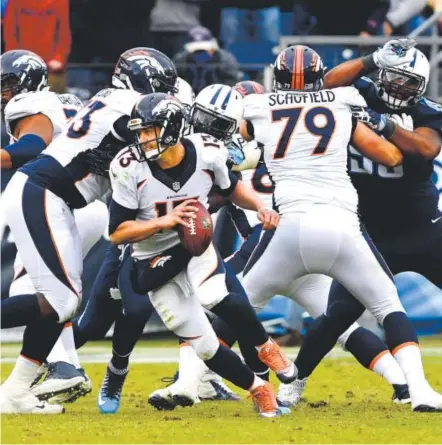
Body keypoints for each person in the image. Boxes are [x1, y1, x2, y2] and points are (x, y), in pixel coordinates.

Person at [239, 44, 442, 412]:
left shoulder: (427, 112)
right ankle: (296, 381)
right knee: (336, 317)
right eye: (391, 76)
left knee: (244, 300)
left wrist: (384, 124)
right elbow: (324, 83)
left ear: (421, 86)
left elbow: (425, 148)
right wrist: (371, 59)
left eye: (405, 81)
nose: (396, 87)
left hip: (423, 230)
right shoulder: (355, 94)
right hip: (368, 231)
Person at [0, 47, 177, 415]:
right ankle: (45, 376)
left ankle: (16, 392)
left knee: (57, 300)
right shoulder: (127, 105)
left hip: (61, 200)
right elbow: (33, 144)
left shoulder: (112, 101)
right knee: (60, 300)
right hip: (42, 191)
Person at [107, 92, 291, 418]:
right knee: (202, 342)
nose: (144, 139)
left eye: (150, 130)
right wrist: (164, 221)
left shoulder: (208, 151)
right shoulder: (128, 167)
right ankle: (259, 390)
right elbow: (117, 232)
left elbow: (231, 187)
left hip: (194, 243)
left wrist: (260, 206)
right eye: (140, 132)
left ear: (174, 128)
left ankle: (266, 347)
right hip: (152, 256)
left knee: (216, 294)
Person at [0, 49, 107, 404]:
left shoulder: (31, 104)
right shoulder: (73, 101)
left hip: (54, 201)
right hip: (88, 204)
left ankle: (63, 366)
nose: (4, 93)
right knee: (54, 294)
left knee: (38, 292)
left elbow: (33, 145)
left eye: (9, 84)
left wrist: (5, 157)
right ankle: (56, 370)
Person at [3, 0, 71, 92]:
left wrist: (59, 58)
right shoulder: (15, 2)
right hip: (22, 67)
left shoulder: (60, 2)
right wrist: (16, 60)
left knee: (54, 102)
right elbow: (10, 33)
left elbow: (64, 32)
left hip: (51, 67)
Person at [173, 26, 241, 94]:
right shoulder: (181, 60)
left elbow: (233, 81)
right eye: (196, 50)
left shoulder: (226, 60)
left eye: (204, 49)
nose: (200, 53)